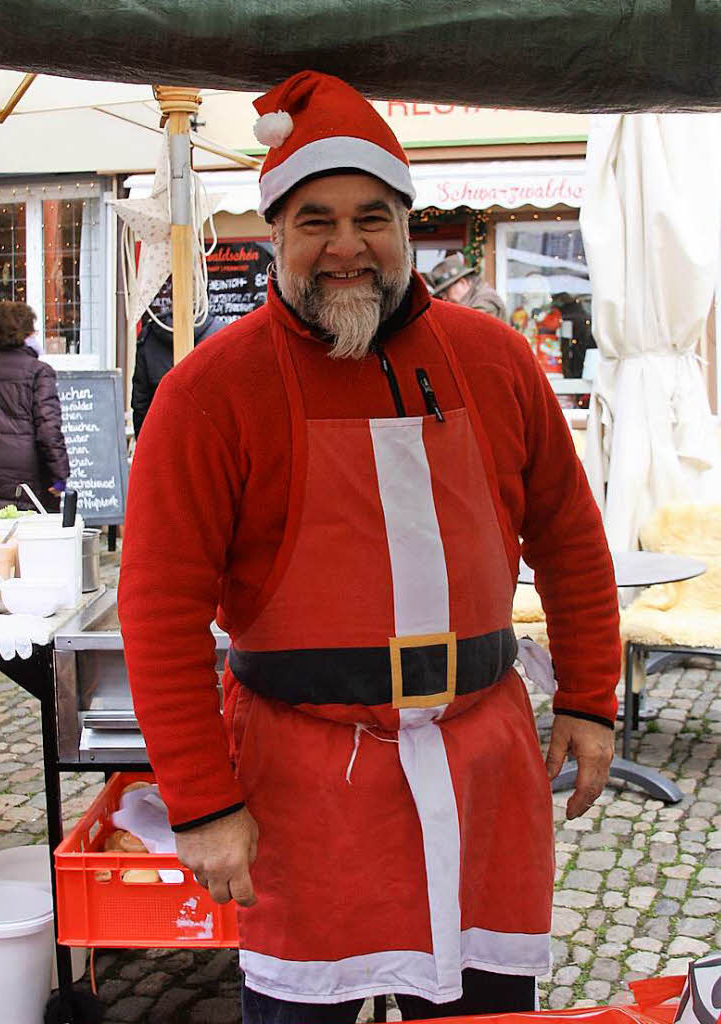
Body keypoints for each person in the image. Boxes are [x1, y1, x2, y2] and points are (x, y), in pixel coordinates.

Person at [118, 70, 620, 1024]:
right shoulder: (210, 392)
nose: (346, 245)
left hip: (483, 766)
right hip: (303, 785)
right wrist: (203, 802)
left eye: (370, 217)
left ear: (405, 223)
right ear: (275, 233)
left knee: (486, 1010)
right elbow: (158, 605)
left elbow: (569, 540)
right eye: (315, 220)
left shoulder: (496, 359)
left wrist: (591, 698)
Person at [0, 301, 68, 513]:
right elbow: (48, 429)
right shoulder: (39, 372)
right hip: (27, 473)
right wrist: (59, 476)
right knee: (29, 539)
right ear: (27, 334)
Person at [131, 307, 223, 438]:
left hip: (162, 439)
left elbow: (140, 403)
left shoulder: (149, 337)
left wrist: (144, 443)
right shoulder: (220, 334)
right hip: (210, 441)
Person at [428, 251, 508, 320]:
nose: (444, 298)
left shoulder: (485, 302)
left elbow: (469, 330)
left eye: (446, 291)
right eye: (441, 294)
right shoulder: (473, 300)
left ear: (462, 282)